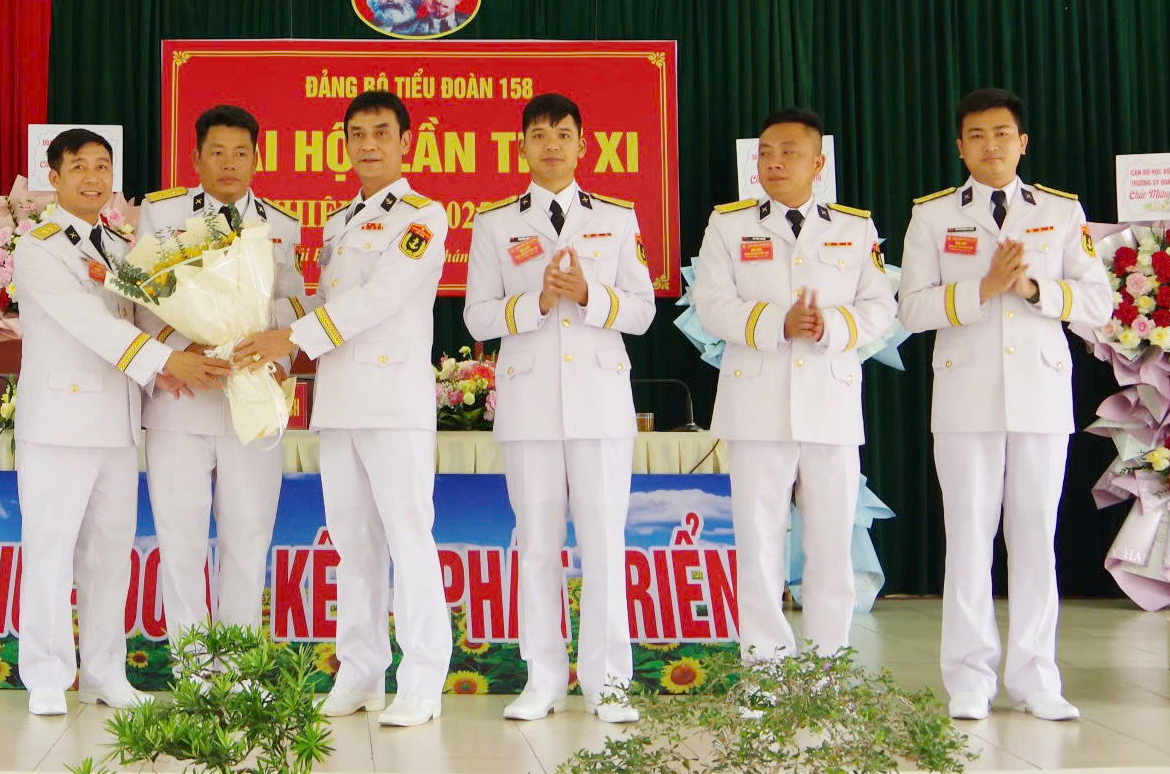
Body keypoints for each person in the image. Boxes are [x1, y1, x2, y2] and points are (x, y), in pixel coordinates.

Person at [234, 90, 452, 727]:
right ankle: (360, 672)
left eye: (381, 132)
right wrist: (260, 325)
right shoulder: (339, 222)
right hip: (339, 401)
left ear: (406, 142)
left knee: (409, 538)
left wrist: (290, 337)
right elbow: (325, 305)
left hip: (393, 402)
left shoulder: (423, 216)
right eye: (357, 133)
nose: (368, 144)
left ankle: (422, 681)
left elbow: (380, 298)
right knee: (353, 544)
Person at [898, 88, 1113, 722]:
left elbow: (1097, 302)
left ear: (1022, 143)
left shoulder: (1060, 211)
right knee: (968, 536)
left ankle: (1035, 676)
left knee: (1035, 535)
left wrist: (1032, 287)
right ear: (959, 147)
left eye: (1001, 134)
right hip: (965, 396)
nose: (989, 145)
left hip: (1040, 394)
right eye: (976, 135)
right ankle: (969, 678)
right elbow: (911, 308)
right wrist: (983, 288)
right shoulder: (933, 216)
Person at [13, 128, 231, 715]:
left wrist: (167, 369)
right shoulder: (39, 246)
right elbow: (91, 325)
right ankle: (46, 675)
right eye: (78, 166)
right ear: (53, 178)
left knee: (109, 553)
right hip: (58, 423)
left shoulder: (117, 244)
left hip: (116, 421)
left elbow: (136, 320)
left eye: (102, 166)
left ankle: (104, 672)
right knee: (51, 549)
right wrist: (167, 361)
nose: (92, 178)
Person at [463, 93, 656, 722]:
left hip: (599, 401)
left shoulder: (616, 218)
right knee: (537, 546)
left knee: (604, 544)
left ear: (582, 145)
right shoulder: (495, 223)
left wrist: (589, 293)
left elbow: (642, 311)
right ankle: (542, 679)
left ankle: (609, 683)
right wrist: (539, 302)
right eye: (539, 134)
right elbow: (477, 316)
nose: (551, 145)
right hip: (529, 403)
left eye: (563, 134)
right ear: (521, 145)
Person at [692, 108, 896, 669]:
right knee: (758, 541)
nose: (774, 163)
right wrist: (775, 323)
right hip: (756, 404)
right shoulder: (728, 224)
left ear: (818, 163)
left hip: (830, 402)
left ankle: (828, 665)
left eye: (788, 152)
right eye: (765, 153)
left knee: (830, 542)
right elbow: (711, 303)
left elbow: (880, 306)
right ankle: (765, 664)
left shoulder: (853, 227)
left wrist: (831, 326)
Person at [133, 106, 306, 653]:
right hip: (182, 399)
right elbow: (141, 301)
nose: (229, 163)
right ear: (196, 158)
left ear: (256, 159)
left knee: (248, 539)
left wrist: (278, 359)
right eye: (217, 152)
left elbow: (292, 303)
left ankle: (238, 669)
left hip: (252, 403)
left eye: (240, 153)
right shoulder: (163, 214)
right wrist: (179, 354)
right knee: (181, 542)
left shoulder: (281, 225)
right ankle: (192, 670)